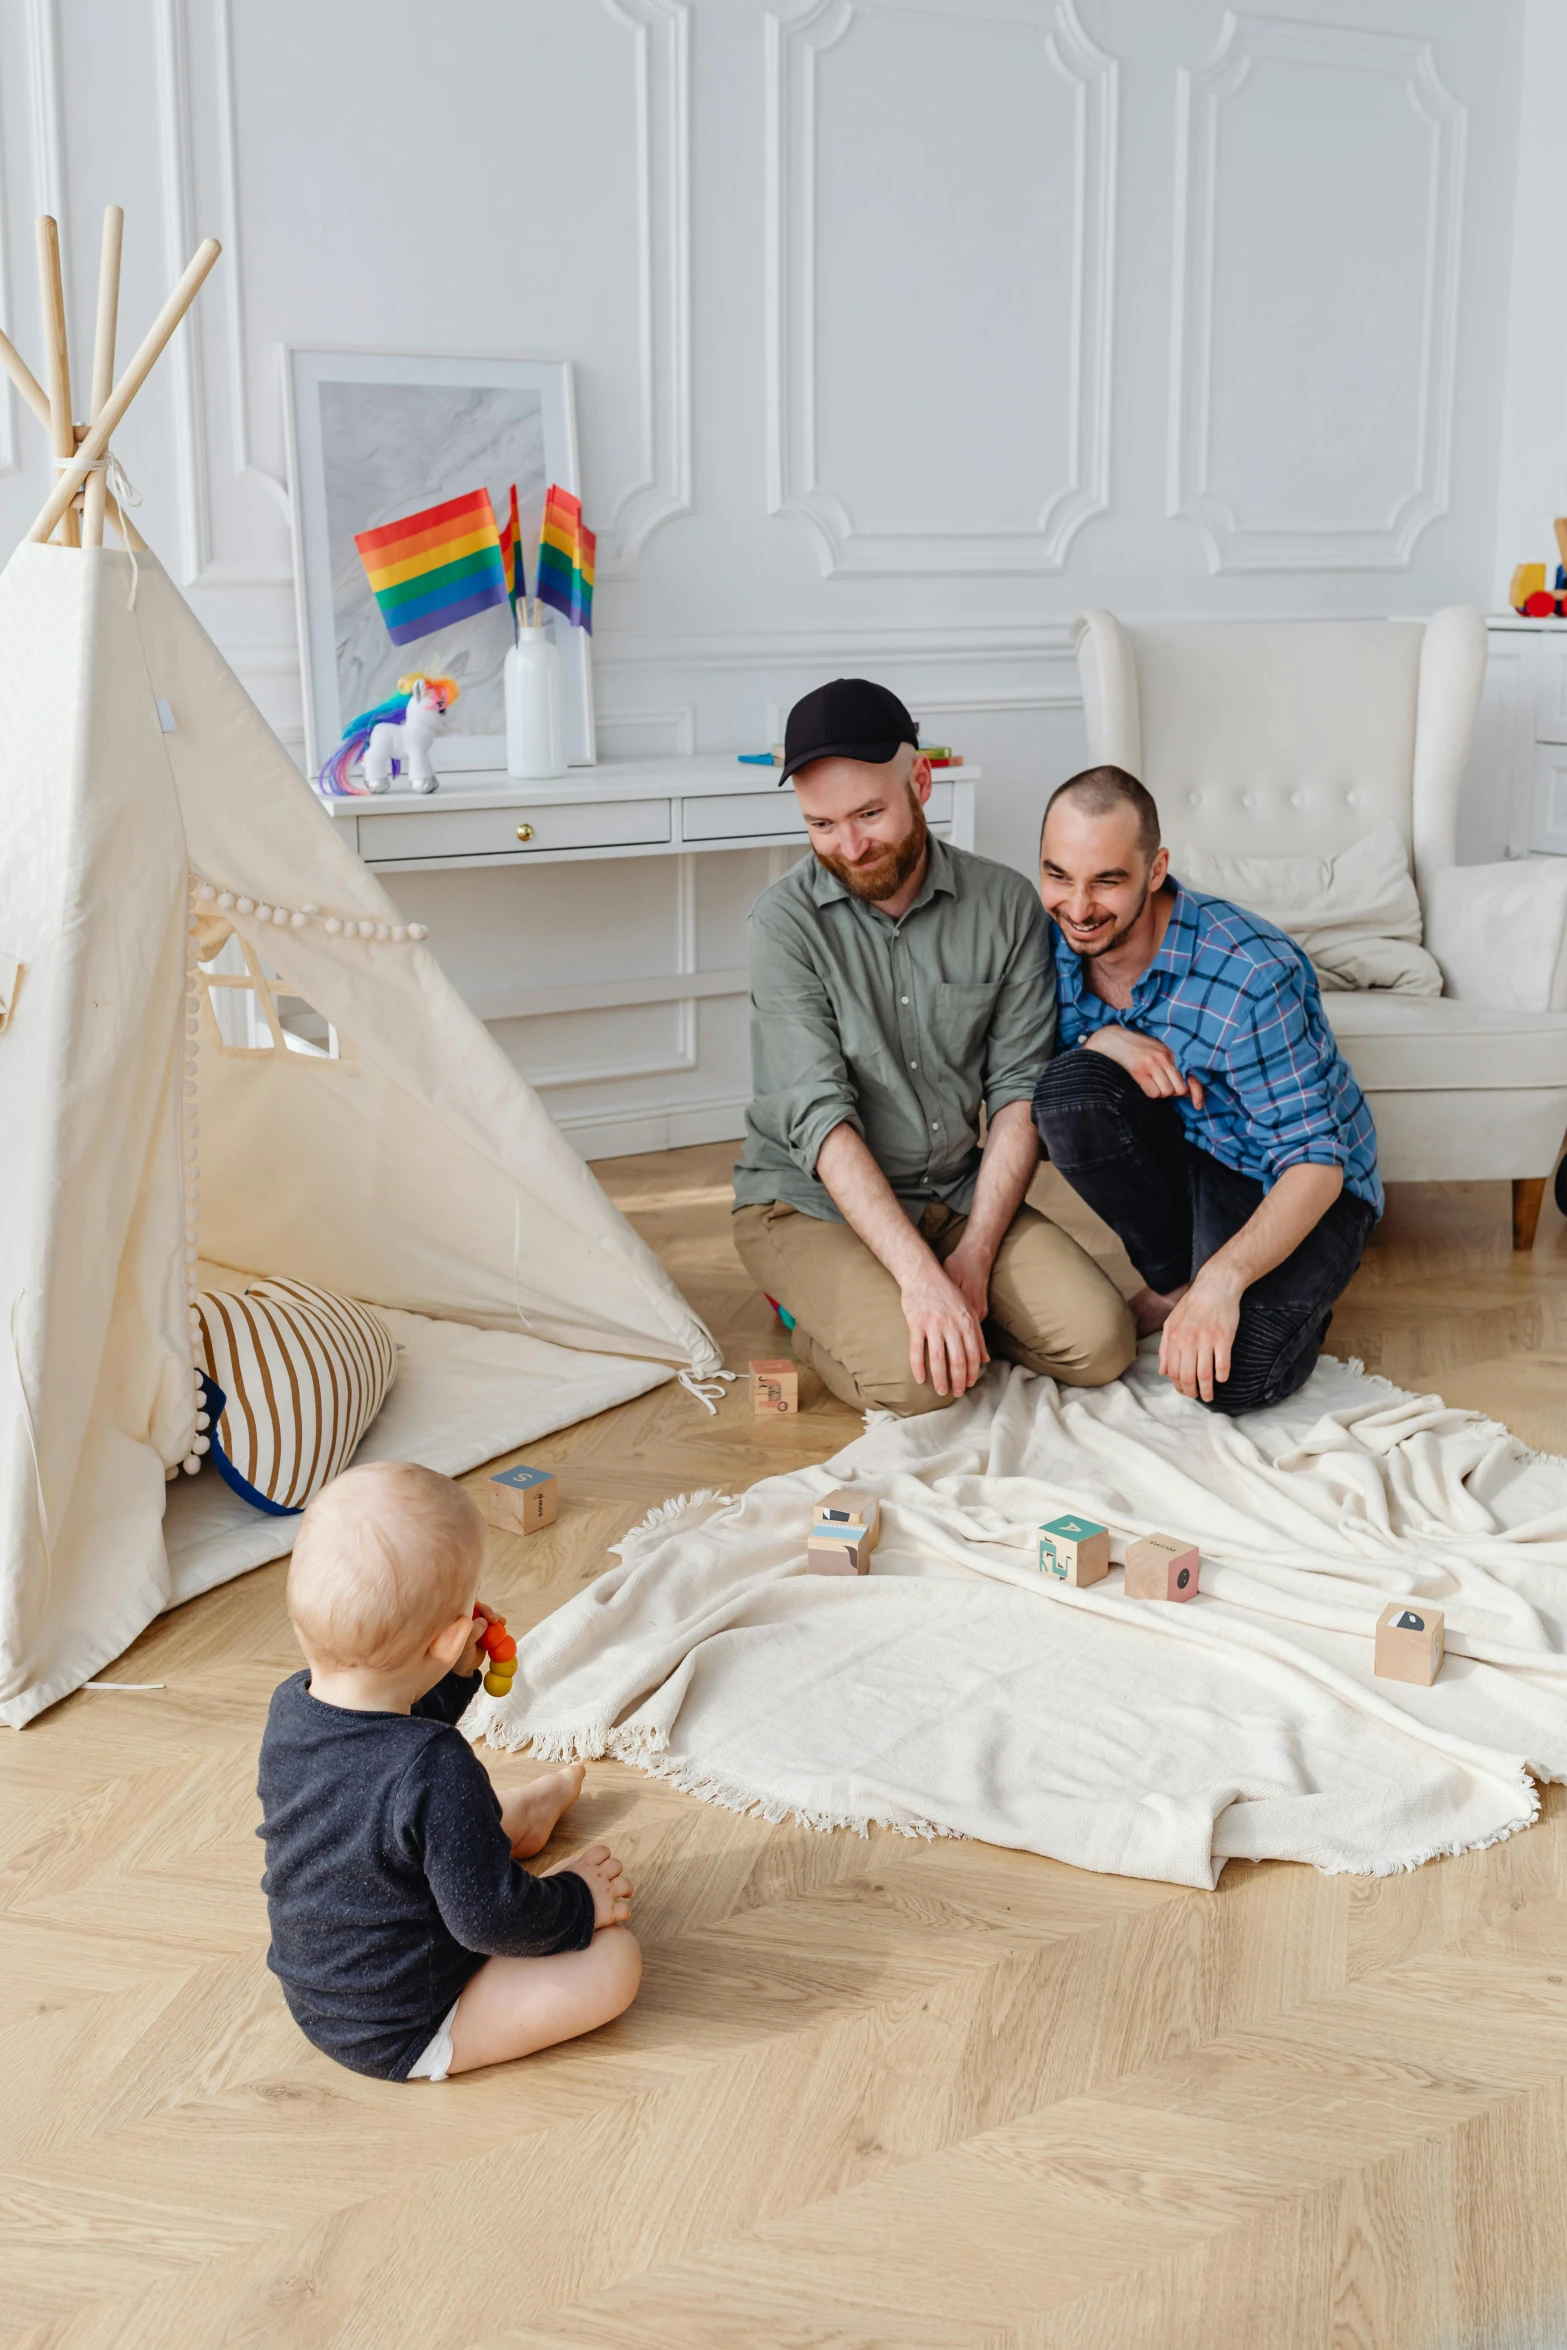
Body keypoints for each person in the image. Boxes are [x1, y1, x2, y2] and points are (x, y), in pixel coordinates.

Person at [732, 677, 1134, 1416]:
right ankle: (812, 1308)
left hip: (952, 1192)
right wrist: (921, 1280)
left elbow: (1019, 1091)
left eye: (869, 813)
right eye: (821, 825)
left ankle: (947, 1313)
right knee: (915, 1383)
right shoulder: (781, 925)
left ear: (919, 782)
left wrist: (974, 1254)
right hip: (809, 1202)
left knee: (1100, 1346)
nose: (849, 846)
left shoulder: (1007, 905)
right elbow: (820, 1120)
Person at [256, 1460, 640, 2082]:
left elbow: (384, 1748)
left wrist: (457, 1673)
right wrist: (574, 1904)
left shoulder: (292, 1705)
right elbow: (486, 1921)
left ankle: (520, 1824)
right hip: (403, 2025)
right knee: (616, 1961)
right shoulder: (436, 1768)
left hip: (318, 1993)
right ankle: (529, 1865)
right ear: (453, 1635)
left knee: (435, 1829)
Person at [1032, 765, 1381, 1415]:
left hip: (1294, 1178)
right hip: (1190, 1149)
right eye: (1058, 876)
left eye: (1107, 880)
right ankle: (1174, 1282)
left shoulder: (1252, 972)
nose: (1077, 909)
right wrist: (1097, 1041)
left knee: (1229, 1378)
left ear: (1155, 868)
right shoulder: (1048, 943)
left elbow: (1314, 1163)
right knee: (1068, 1091)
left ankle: (1271, 1288)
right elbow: (1024, 1085)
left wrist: (1223, 1280)